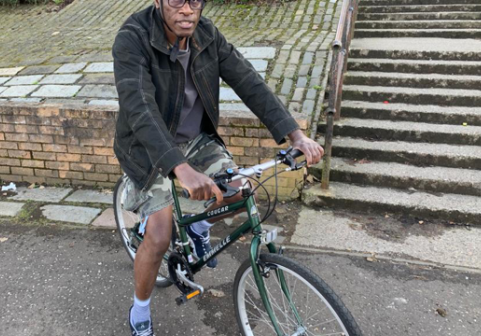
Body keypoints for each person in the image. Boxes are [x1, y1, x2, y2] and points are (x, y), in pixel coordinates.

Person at [112, 0, 324, 334]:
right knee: (160, 234)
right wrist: (179, 168)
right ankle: (139, 311)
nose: (186, 9)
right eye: (176, 1)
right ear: (157, 2)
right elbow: (139, 107)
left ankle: (197, 227)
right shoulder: (133, 37)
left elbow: (249, 81)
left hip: (196, 141)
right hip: (148, 148)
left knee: (240, 190)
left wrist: (295, 135)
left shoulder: (206, 35)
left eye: (193, 0)